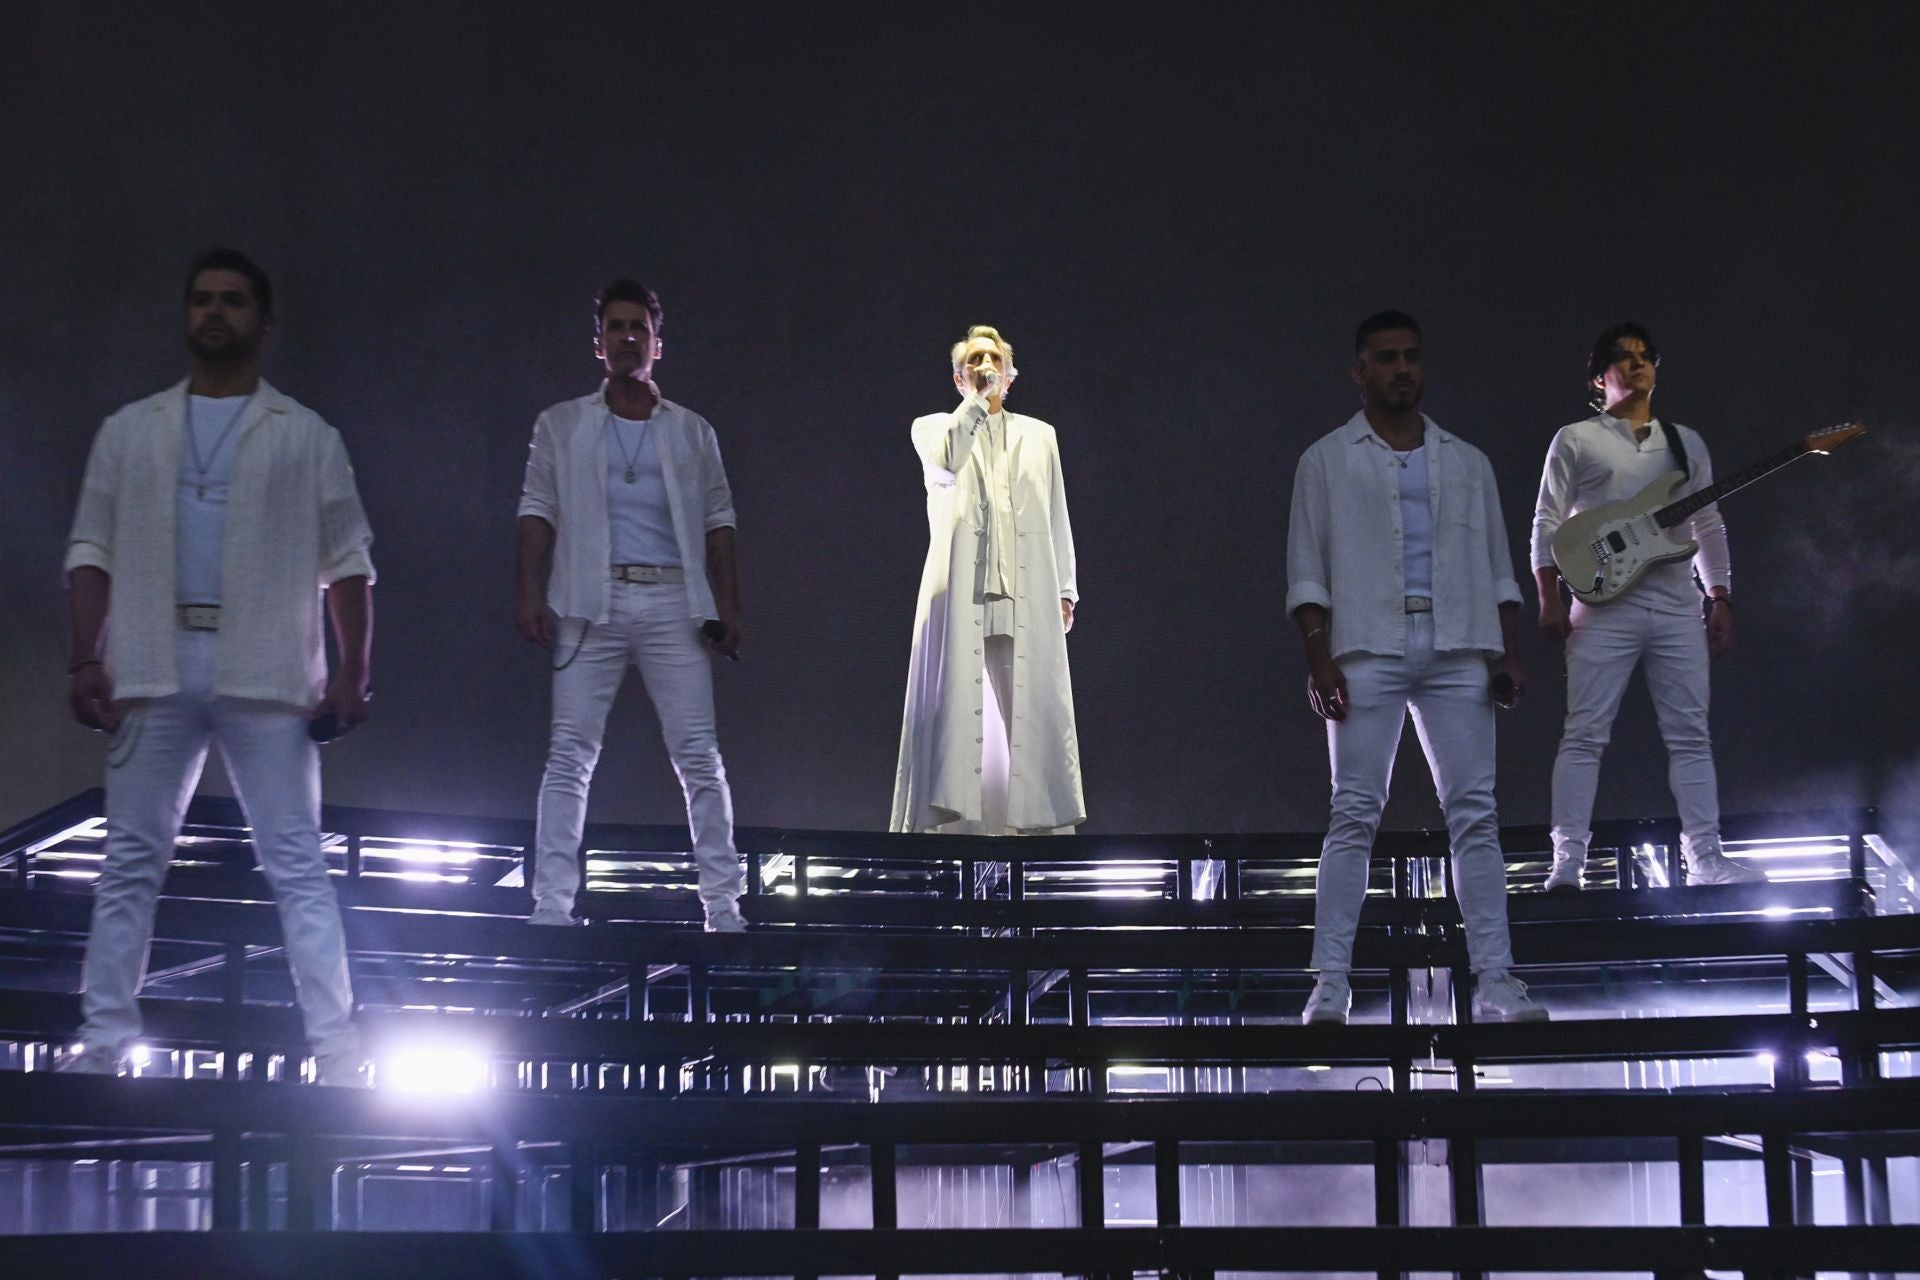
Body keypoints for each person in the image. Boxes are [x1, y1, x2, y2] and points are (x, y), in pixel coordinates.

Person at [62, 248, 374, 1082]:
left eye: (233, 301)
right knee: (131, 858)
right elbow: (91, 548)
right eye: (202, 299)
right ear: (185, 313)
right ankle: (101, 1043)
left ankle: (338, 1050)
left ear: (263, 323)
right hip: (152, 661)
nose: (215, 313)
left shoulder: (306, 435)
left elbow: (349, 562)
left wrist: (352, 674)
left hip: (265, 667)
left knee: (297, 861)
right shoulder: (130, 431)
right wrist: (84, 656)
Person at [1286, 310, 1546, 1025]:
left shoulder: (1466, 460)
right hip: (1368, 644)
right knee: (1353, 814)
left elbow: (1498, 565)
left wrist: (1508, 650)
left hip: (1459, 644)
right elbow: (1307, 568)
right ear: (1360, 370)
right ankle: (1331, 982)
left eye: (1411, 357)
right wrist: (1318, 653)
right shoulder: (1327, 460)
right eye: (1387, 358)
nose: (1402, 368)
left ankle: (1496, 978)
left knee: (1475, 815)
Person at [516, 278, 746, 931]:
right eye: (615, 327)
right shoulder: (561, 425)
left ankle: (723, 906)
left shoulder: (692, 431)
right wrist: (528, 590)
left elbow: (720, 521)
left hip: (674, 598)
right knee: (569, 753)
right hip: (592, 599)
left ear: (656, 343)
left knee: (698, 753)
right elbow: (537, 509)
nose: (626, 338)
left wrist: (731, 606)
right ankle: (551, 906)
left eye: (637, 328)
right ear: (598, 343)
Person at [1530, 322, 1760, 890]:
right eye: (1622, 358)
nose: (1636, 366)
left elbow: (1706, 520)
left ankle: (1706, 858)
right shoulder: (1576, 439)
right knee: (1584, 733)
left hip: (1677, 605)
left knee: (1691, 735)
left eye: (1644, 357)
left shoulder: (1685, 442)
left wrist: (1720, 595)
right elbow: (1547, 520)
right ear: (1598, 376)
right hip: (1603, 607)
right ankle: (1568, 862)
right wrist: (1548, 596)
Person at [890, 325, 1084, 836]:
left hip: (1025, 594)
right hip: (960, 597)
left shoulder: (1041, 436)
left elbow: (1057, 510)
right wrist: (975, 403)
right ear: (959, 377)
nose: (984, 367)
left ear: (1010, 377)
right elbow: (949, 458)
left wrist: (1065, 588)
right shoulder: (932, 428)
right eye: (974, 361)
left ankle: (1036, 841)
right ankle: (950, 839)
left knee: (1028, 720)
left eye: (993, 360)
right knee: (958, 720)